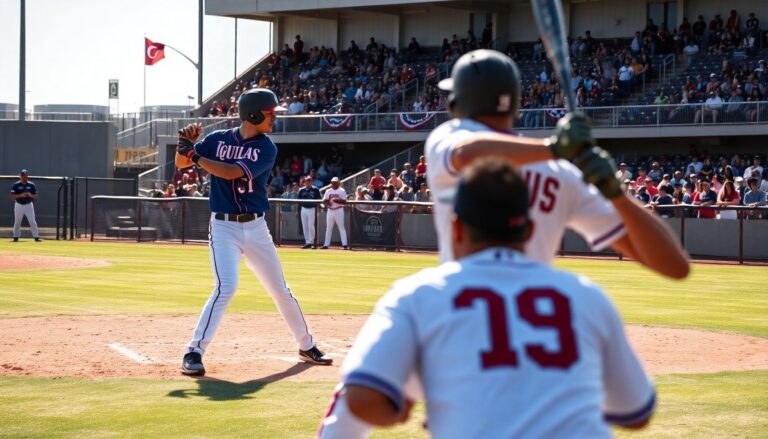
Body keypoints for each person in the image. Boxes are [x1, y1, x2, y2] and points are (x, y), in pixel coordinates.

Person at [319, 49, 686, 439]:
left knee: (349, 413)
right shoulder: (559, 172)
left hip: (452, 314)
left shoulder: (453, 136)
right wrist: (614, 190)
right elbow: (673, 266)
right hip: (546, 322)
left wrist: (566, 158)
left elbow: (467, 153)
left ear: (456, 102)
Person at [334, 159, 656, 437]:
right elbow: (638, 412)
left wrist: (397, 413)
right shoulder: (586, 295)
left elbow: (361, 397)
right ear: (529, 231)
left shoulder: (417, 294)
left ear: (455, 228)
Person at [174, 88, 332, 376]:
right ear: (254, 114)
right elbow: (181, 163)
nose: (274, 118)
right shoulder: (217, 139)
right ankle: (194, 351)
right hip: (223, 226)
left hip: (256, 227)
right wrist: (184, 144)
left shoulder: (266, 147)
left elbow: (232, 172)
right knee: (226, 287)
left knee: (280, 290)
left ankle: (306, 345)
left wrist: (194, 156)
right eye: (270, 113)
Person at [10, 169, 41, 242]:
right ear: (20, 176)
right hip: (19, 205)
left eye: (25, 175)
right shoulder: (16, 185)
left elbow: (36, 196)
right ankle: (15, 237)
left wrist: (30, 195)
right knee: (17, 221)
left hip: (28, 205)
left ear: (27, 176)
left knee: (32, 221)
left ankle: (36, 237)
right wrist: (21, 195)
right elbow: (12, 196)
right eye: (22, 176)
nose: (24, 177)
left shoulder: (31, 185)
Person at [322, 177, 348, 249]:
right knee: (329, 228)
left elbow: (344, 202)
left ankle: (345, 244)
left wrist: (336, 200)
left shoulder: (341, 190)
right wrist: (327, 202)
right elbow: (324, 200)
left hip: (338, 210)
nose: (334, 184)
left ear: (338, 183)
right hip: (330, 210)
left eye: (335, 182)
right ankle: (326, 244)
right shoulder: (328, 191)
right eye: (333, 182)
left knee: (341, 227)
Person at [298, 176, 321, 248]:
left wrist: (318, 208)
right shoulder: (301, 190)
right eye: (307, 181)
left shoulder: (315, 190)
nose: (308, 182)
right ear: (304, 182)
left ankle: (312, 241)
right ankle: (307, 242)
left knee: (311, 225)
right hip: (304, 209)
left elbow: (319, 200)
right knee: (305, 226)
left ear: (312, 182)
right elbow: (298, 200)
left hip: (312, 208)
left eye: (310, 181)